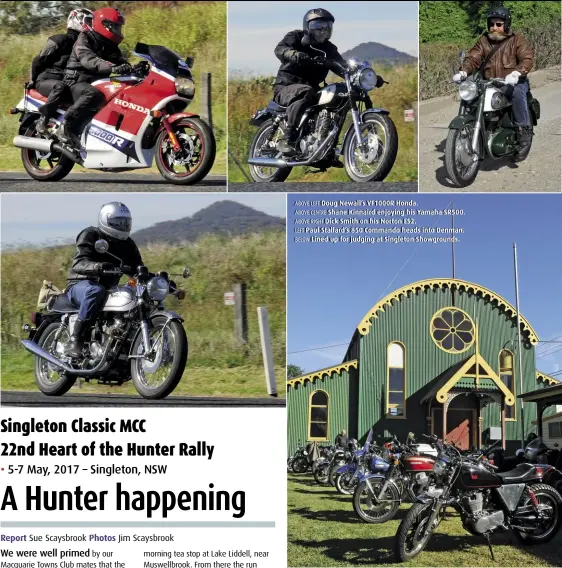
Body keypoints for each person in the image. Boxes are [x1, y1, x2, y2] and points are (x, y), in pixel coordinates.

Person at [64, 202, 143, 357]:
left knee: (134, 294)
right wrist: (98, 267)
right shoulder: (91, 235)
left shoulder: (127, 244)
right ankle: (75, 341)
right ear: (105, 220)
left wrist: (155, 279)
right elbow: (79, 263)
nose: (123, 226)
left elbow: (138, 269)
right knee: (95, 290)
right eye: (118, 222)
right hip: (80, 285)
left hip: (108, 289)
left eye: (126, 222)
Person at [452, 5, 534, 154]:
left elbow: (527, 59)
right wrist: (464, 71)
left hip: (513, 81)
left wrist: (516, 73)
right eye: (491, 24)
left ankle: (523, 131)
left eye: (499, 24)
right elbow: (473, 58)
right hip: (489, 83)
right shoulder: (484, 40)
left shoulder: (518, 40)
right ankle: (476, 130)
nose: (494, 27)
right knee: (471, 98)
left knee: (516, 94)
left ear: (506, 24)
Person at [272, 8, 349, 157]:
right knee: (306, 91)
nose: (322, 31)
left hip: (311, 90)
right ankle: (288, 138)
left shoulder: (329, 49)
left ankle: (326, 145)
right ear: (307, 27)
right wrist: (293, 54)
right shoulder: (295, 37)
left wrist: (362, 75)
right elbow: (280, 49)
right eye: (318, 26)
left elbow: (342, 66)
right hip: (286, 86)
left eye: (327, 27)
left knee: (338, 96)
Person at [59, 7, 132, 148]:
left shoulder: (111, 45)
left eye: (119, 27)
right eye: (114, 27)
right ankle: (65, 125)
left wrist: (134, 68)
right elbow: (90, 61)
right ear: (103, 24)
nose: (117, 31)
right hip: (75, 81)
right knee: (92, 94)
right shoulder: (85, 38)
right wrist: (112, 67)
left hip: (94, 82)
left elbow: (120, 61)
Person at [31, 8, 94, 135]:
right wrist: (33, 81)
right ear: (76, 20)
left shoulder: (87, 44)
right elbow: (38, 61)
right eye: (87, 21)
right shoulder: (60, 39)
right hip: (46, 80)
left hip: (66, 82)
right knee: (59, 86)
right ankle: (43, 120)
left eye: (91, 22)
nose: (90, 25)